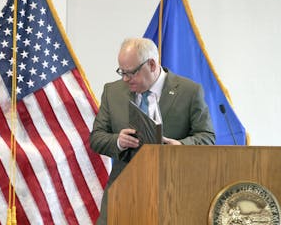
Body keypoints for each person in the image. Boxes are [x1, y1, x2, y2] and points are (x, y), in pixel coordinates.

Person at [90, 37, 215, 224]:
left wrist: (180, 145)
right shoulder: (112, 92)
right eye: (121, 72)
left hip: (172, 196)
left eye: (130, 73)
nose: (125, 79)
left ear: (152, 64)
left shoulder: (189, 91)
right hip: (123, 195)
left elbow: (207, 137)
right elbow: (96, 138)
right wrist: (118, 141)